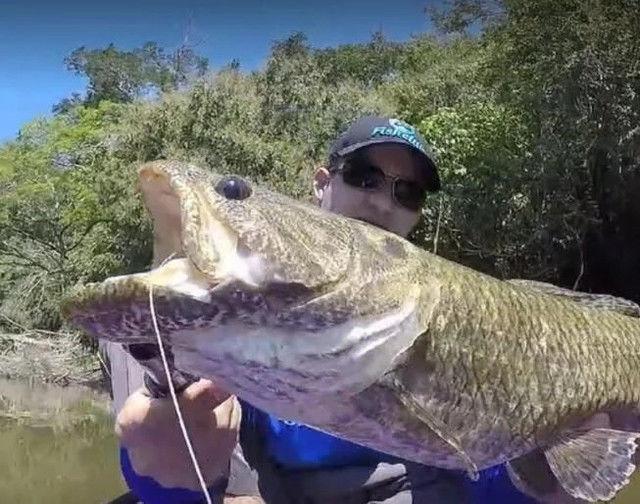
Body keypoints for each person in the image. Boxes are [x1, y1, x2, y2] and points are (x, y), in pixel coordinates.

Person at [105, 116, 539, 503]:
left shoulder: (452, 319)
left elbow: (488, 477)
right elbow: (175, 465)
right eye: (364, 177)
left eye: (407, 192)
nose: (385, 203)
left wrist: (549, 477)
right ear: (321, 182)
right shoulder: (245, 299)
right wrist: (173, 480)